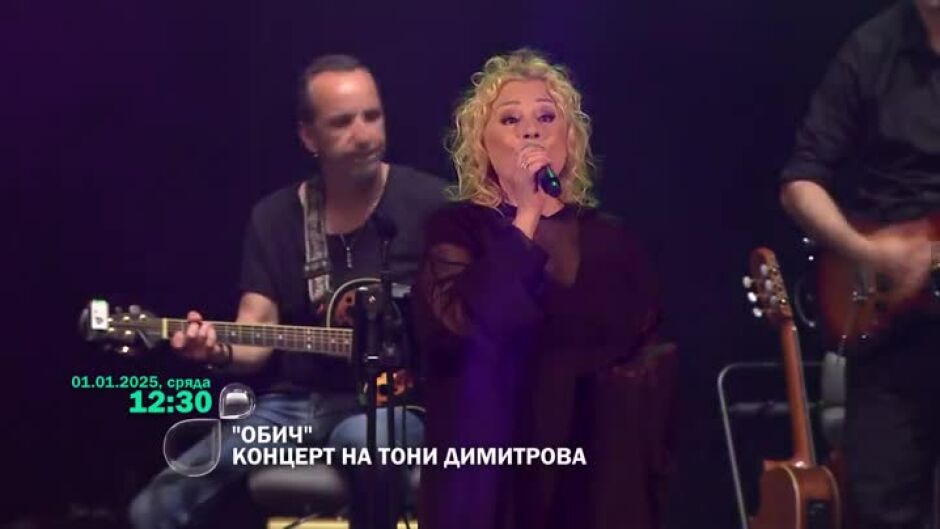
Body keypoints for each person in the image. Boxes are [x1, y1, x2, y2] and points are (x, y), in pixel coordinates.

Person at [128, 54, 447, 529]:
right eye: (342, 122)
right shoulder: (276, 217)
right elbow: (255, 332)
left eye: (372, 116)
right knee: (155, 506)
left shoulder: (435, 204)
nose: (364, 135)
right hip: (294, 407)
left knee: (365, 443)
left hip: (394, 406)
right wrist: (216, 350)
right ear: (308, 137)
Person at [413, 49, 676, 529]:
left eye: (546, 117)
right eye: (510, 119)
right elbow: (465, 328)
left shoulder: (613, 239)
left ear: (570, 139)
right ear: (481, 144)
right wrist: (527, 213)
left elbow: (647, 350)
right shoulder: (454, 230)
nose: (530, 131)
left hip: (593, 476)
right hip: (493, 469)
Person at [780, 2, 940, 527]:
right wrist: (869, 252)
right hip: (887, 321)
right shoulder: (872, 48)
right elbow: (801, 182)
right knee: (880, 504)